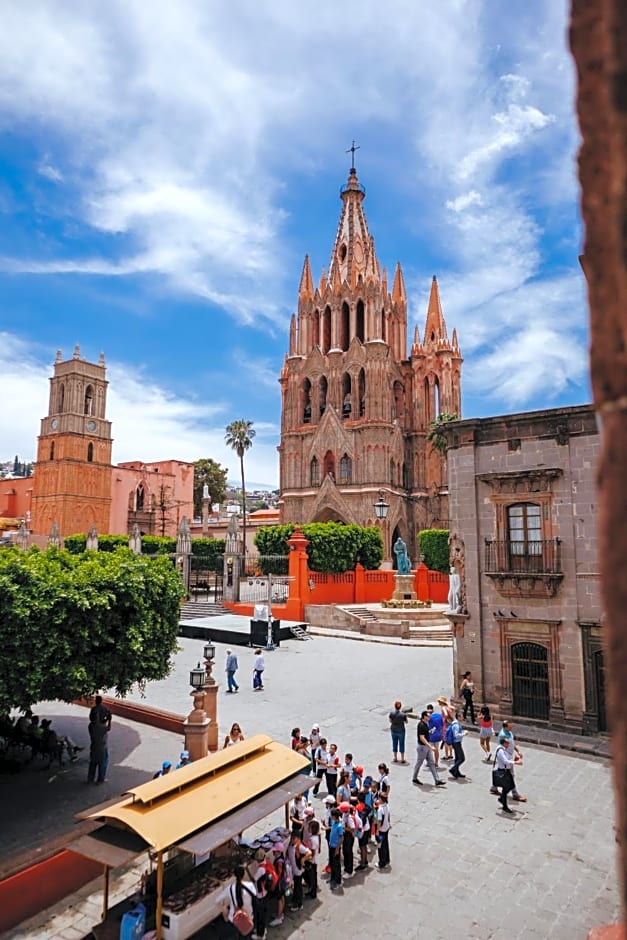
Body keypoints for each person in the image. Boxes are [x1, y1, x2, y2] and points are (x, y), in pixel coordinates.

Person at [491, 721, 527, 802]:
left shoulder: (509, 733)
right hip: (506, 757)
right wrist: (513, 761)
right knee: (510, 775)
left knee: (501, 773)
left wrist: (518, 751)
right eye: (510, 727)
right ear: (505, 727)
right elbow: (504, 748)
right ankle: (515, 794)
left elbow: (512, 743)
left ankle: (494, 787)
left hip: (509, 756)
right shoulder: (502, 735)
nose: (511, 728)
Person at [220, 864, 257, 938]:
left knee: (223, 936)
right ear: (244, 874)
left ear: (234, 875)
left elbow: (225, 906)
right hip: (248, 918)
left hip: (236, 920)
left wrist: (225, 916)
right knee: (245, 935)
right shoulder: (250, 886)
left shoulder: (231, 889)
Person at [412, 710, 446, 787]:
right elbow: (422, 738)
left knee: (431, 763)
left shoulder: (426, 724)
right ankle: (414, 778)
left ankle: (437, 780)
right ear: (424, 717)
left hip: (426, 747)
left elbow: (425, 733)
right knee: (419, 763)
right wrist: (430, 746)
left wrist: (430, 731)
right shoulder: (421, 725)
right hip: (422, 748)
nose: (429, 717)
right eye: (428, 716)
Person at [493, 736, 520, 814]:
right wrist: (515, 762)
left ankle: (502, 798)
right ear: (503, 743)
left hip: (507, 771)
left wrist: (514, 760)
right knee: (506, 788)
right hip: (503, 771)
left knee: (511, 786)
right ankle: (505, 806)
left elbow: (508, 760)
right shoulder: (500, 751)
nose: (508, 744)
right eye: (507, 742)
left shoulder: (504, 750)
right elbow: (505, 761)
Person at [286, 831, 311, 911]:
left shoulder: (299, 847)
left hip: (298, 871)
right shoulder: (290, 845)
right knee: (295, 887)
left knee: (298, 887)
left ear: (297, 838)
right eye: (291, 838)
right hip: (293, 870)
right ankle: (294, 900)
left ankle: (299, 904)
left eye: (294, 838)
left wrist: (303, 860)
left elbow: (309, 852)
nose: (292, 840)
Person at [88, 714, 110, 784]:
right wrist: (110, 720)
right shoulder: (101, 727)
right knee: (102, 764)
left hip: (94, 746)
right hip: (102, 748)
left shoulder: (91, 726)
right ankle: (100, 779)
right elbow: (108, 728)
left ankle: (90, 778)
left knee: (93, 763)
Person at [328, 807, 344, 890]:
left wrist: (337, 849)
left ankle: (338, 881)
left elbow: (341, 838)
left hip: (335, 847)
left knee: (337, 865)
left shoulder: (339, 826)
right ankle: (332, 878)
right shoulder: (334, 823)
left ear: (334, 816)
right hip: (331, 846)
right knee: (332, 863)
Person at [375, 792, 391, 870]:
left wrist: (377, 830)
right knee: (386, 844)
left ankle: (382, 862)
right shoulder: (387, 806)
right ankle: (387, 859)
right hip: (386, 827)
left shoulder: (380, 809)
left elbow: (379, 821)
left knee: (380, 846)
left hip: (381, 829)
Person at [448, 710, 466, 779]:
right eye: (462, 716)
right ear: (458, 717)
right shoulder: (456, 725)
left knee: (457, 758)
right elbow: (456, 735)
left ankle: (457, 772)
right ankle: (453, 769)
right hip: (456, 742)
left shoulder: (456, 723)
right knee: (462, 758)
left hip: (456, 742)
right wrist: (464, 734)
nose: (463, 718)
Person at [438, 695, 455, 760]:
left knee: (445, 741)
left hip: (445, 725)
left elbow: (445, 714)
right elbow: (453, 708)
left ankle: (446, 755)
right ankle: (451, 754)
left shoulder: (443, 708)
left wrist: (445, 719)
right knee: (449, 740)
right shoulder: (448, 707)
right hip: (450, 724)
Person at [426, 703, 443, 767]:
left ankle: (429, 762)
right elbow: (442, 725)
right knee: (436, 750)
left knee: (428, 750)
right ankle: (436, 762)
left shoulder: (428, 717)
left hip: (431, 736)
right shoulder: (439, 715)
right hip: (438, 735)